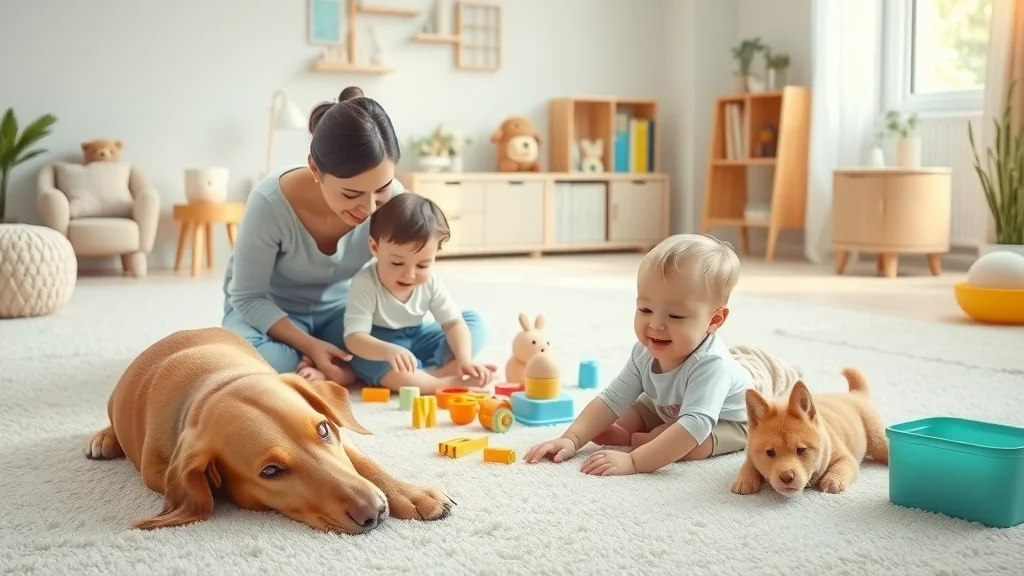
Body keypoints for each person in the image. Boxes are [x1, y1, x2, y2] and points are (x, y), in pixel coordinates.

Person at [221, 85, 488, 385]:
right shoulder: (269, 203)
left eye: (382, 188)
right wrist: (310, 345)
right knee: (239, 355)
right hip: (268, 316)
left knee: (443, 334)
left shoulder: (395, 202)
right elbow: (247, 297)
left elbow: (409, 267)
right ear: (315, 168)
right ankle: (326, 365)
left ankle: (341, 370)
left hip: (342, 316)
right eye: (352, 193)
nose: (370, 207)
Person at [523, 233, 802, 476]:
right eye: (645, 309)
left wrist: (634, 461)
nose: (655, 324)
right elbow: (612, 398)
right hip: (671, 405)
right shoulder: (644, 352)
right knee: (634, 407)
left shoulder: (711, 364)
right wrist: (571, 439)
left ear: (714, 321)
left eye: (675, 315)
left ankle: (651, 441)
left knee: (693, 445)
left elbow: (694, 426)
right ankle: (637, 434)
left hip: (726, 421)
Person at [296, 193, 494, 393]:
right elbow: (355, 338)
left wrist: (465, 359)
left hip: (416, 334)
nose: (409, 275)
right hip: (376, 340)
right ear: (375, 247)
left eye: (423, 265)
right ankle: (444, 383)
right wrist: (387, 350)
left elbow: (453, 323)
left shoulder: (431, 281)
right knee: (368, 358)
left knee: (476, 323)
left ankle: (431, 374)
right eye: (397, 263)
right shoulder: (366, 282)